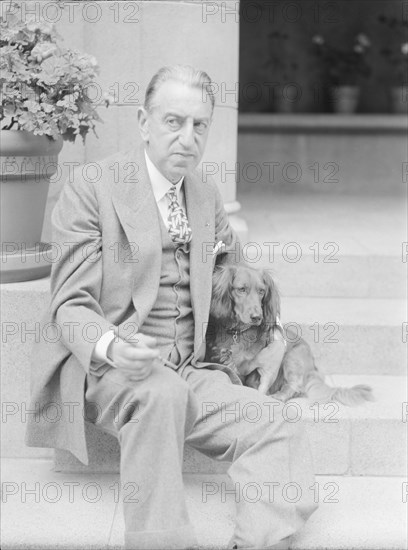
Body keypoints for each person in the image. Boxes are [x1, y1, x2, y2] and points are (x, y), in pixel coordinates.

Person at [26, 65, 318, 550]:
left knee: (276, 419)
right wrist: (114, 349)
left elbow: (240, 273)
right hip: (118, 369)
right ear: (144, 122)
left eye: (199, 124)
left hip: (195, 368)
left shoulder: (206, 196)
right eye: (173, 122)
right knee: (161, 394)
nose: (188, 137)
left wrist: (274, 339)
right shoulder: (93, 187)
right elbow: (69, 304)